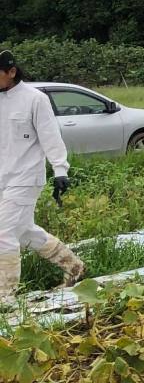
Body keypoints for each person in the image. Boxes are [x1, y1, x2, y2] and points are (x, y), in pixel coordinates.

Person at [0, 49, 85, 300]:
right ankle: (74, 267)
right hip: (3, 177)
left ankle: (5, 297)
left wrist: (60, 169)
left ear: (11, 72)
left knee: (3, 233)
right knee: (24, 232)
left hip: (26, 178)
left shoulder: (34, 99)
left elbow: (51, 137)